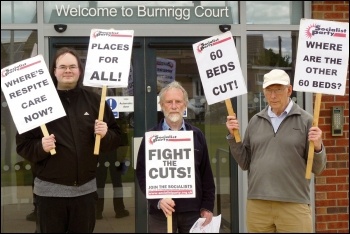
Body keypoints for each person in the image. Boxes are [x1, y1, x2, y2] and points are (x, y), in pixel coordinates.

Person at [16, 47, 122, 233]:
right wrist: (40, 146)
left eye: (72, 66)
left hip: (86, 193)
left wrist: (106, 134)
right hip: (49, 194)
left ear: (79, 71)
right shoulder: (37, 102)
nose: (68, 70)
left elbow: (117, 138)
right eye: (62, 66)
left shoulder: (96, 101)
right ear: (54, 71)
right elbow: (22, 145)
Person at [226, 69, 327, 233]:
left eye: (278, 90)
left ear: (289, 90)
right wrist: (232, 137)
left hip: (294, 204)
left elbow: (318, 168)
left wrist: (317, 147)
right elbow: (244, 162)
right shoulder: (255, 121)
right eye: (269, 90)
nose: (273, 96)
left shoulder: (307, 120)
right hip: (258, 205)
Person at [136, 81, 215, 233]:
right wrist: (157, 201)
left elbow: (206, 176)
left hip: (193, 211)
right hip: (162, 212)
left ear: (185, 105)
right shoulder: (151, 138)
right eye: (169, 102)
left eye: (178, 102)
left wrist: (207, 206)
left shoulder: (197, 135)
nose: (173, 106)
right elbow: (142, 174)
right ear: (161, 105)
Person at [96, 117, 130, 219]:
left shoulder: (101, 110)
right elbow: (123, 134)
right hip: (116, 149)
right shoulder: (118, 117)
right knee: (116, 181)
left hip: (104, 149)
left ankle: (97, 211)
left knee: (100, 182)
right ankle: (119, 210)